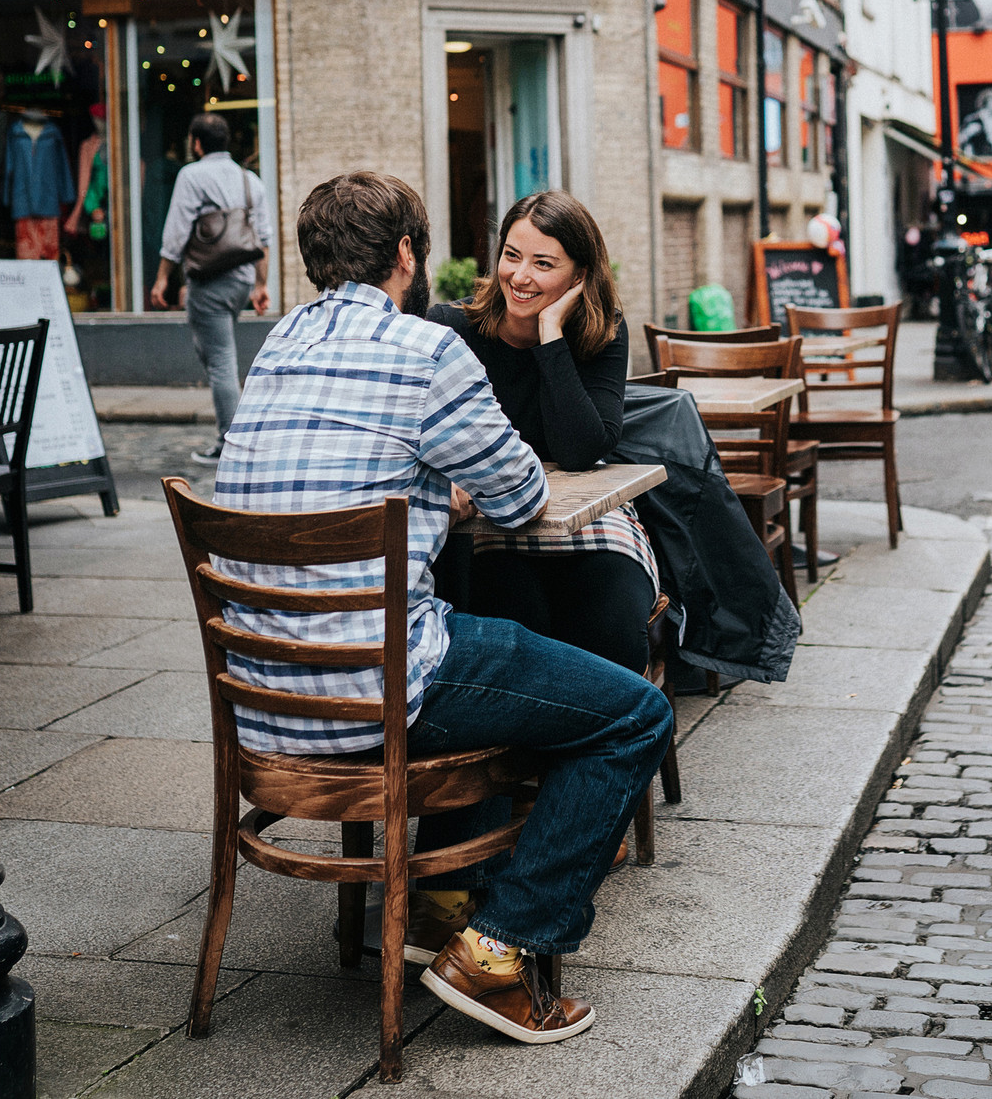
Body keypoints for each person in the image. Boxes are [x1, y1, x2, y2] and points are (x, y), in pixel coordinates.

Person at [214, 171, 672, 1045]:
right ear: (405, 255)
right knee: (633, 715)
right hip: (381, 693)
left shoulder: (276, 344)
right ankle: (496, 949)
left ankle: (442, 902)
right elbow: (519, 491)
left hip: (263, 711)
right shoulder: (428, 350)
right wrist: (447, 489)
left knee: (508, 650)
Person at [426, 190, 655, 676]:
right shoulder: (451, 328)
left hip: (587, 522)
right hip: (488, 529)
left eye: (543, 263)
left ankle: (614, 735)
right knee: (514, 620)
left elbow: (581, 451)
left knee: (614, 623)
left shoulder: (602, 331)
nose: (520, 276)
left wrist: (551, 334)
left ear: (580, 276)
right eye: (511, 256)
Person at [151, 112, 272, 464]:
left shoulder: (192, 175)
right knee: (219, 354)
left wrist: (162, 277)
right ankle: (235, 435)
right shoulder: (251, 181)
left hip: (210, 280)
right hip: (242, 280)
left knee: (219, 360)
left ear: (197, 143)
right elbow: (263, 238)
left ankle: (229, 444)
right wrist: (261, 285)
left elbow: (176, 231)